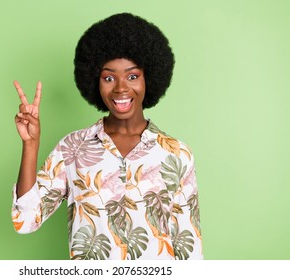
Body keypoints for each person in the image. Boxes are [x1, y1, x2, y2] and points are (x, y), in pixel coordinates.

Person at [11, 12, 203, 260]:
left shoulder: (177, 154)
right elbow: (25, 220)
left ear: (150, 78)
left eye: (132, 76)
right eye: (109, 78)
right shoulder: (72, 148)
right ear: (94, 81)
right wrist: (30, 145)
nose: (121, 88)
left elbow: (190, 248)